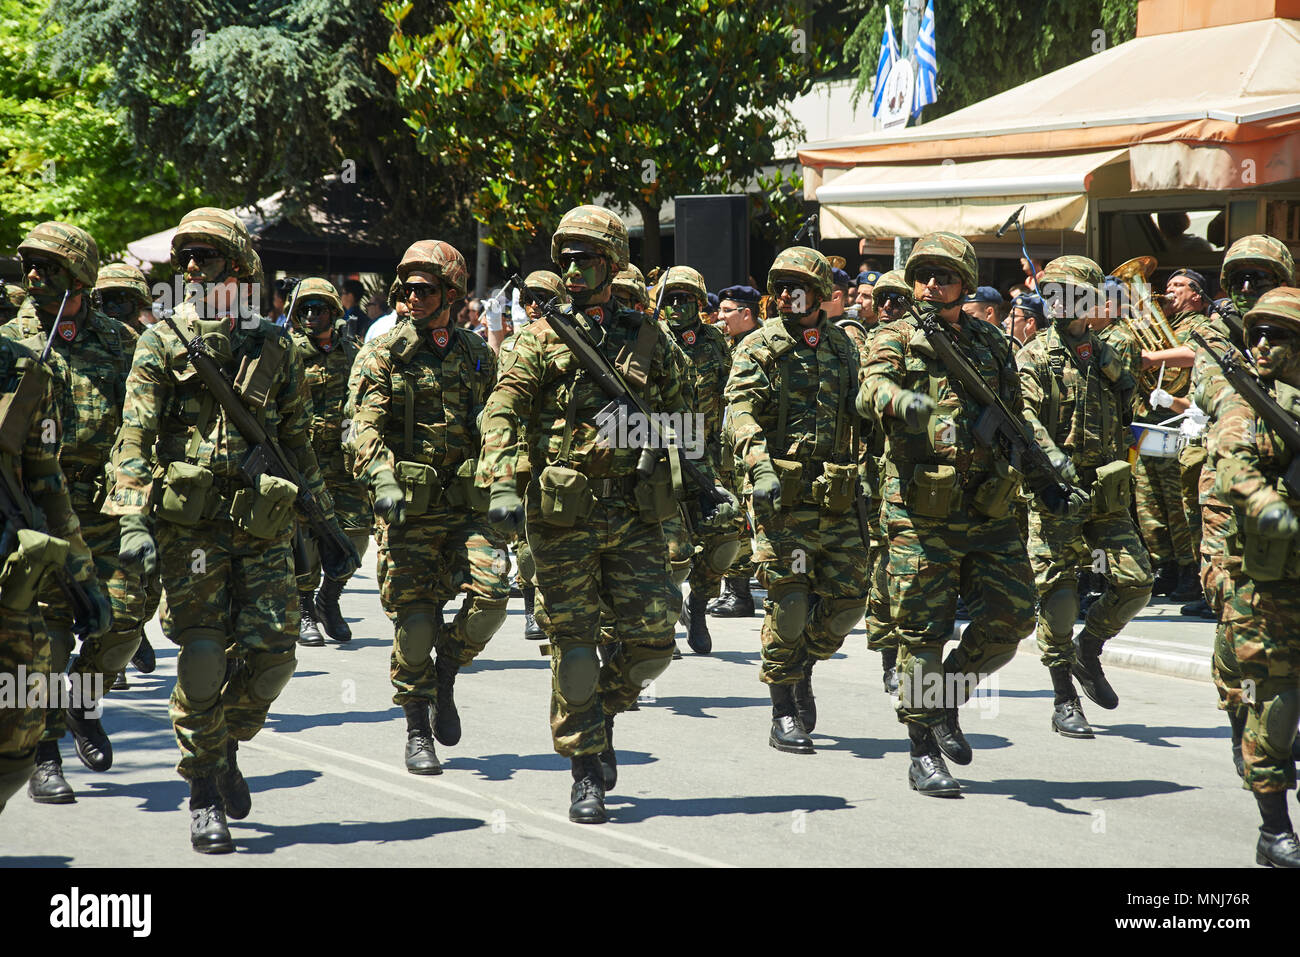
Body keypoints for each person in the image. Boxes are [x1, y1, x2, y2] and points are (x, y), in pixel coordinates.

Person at [105, 207, 352, 853]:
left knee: (274, 656)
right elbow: (132, 439)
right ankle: (204, 790)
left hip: (263, 524)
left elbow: (297, 446)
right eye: (185, 258)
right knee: (206, 655)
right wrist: (132, 519)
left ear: (238, 268)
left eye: (205, 257)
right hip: (191, 531)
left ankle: (226, 742)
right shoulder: (160, 342)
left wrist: (326, 524)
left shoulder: (276, 346)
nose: (190, 268)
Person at [479, 205, 727, 823]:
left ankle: (599, 712)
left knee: (652, 641)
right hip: (562, 515)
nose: (571, 266)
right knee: (577, 643)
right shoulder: (538, 337)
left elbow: (685, 421)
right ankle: (586, 766)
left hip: (637, 512)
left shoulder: (650, 338)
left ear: (612, 265)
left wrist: (702, 488)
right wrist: (504, 482)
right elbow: (502, 413)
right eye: (565, 257)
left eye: (585, 257)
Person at [860, 231, 1085, 796]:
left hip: (987, 507)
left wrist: (1051, 469)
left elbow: (1014, 417)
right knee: (921, 634)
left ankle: (945, 700)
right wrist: (904, 402)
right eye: (924, 276)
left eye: (946, 276)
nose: (933, 286)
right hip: (920, 512)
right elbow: (868, 392)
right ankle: (921, 751)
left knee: (1011, 619)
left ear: (965, 282)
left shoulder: (988, 340)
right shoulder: (896, 338)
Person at [350, 241, 508, 778]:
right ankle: (417, 727)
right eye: (408, 289)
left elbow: (499, 422)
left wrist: (506, 481)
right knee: (415, 623)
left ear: (452, 295)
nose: (414, 298)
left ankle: (449, 670)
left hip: (465, 507)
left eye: (427, 289)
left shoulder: (478, 354)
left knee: (492, 597)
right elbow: (363, 428)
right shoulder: (383, 354)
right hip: (406, 512)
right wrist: (382, 479)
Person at [1, 223, 140, 803]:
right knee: (46, 637)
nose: (34, 277)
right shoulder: (13, 342)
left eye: (49, 268)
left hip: (103, 502)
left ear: (81, 278)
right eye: (29, 266)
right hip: (36, 505)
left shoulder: (119, 342)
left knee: (124, 620)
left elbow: (141, 421)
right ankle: (45, 753)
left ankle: (81, 705)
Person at [726, 246, 868, 755]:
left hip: (837, 494)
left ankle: (803, 662)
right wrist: (759, 467)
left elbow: (862, 413)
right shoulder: (759, 347)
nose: (786, 294)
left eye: (797, 285)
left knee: (850, 600)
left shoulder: (844, 345)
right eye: (780, 285)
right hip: (780, 496)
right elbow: (740, 411)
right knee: (787, 605)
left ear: (822, 295)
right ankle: (783, 706)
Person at [1017, 256, 1152, 736]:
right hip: (1057, 491)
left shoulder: (1107, 353)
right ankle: (1063, 698)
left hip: (1106, 491)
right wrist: (1055, 463)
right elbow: (1025, 420)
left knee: (1137, 581)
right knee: (1057, 594)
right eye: (1052, 291)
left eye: (1068, 292)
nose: (1057, 300)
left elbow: (1126, 404)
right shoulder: (1033, 354)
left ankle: (1087, 650)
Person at [1194, 235, 1296, 776]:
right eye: (1239, 278)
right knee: (1238, 612)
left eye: (1261, 276)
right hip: (1230, 495)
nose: (1249, 287)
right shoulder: (1216, 335)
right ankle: (1243, 716)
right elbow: (1216, 390)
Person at [1209, 286, 1300, 866]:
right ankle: (1274, 830)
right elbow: (1231, 465)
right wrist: (1268, 504)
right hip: (1269, 585)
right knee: (1276, 702)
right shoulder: (1248, 404)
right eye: (1257, 334)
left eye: (1279, 336)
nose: (1264, 345)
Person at [0, 331, 108, 815]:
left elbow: (46, 482)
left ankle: (45, 751)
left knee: (17, 723)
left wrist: (81, 574)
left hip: (8, 563)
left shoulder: (22, 371)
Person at [283, 278, 371, 647]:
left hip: (344, 462)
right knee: (303, 541)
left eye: (317, 308)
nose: (309, 315)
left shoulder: (353, 351)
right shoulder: (285, 351)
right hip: (302, 462)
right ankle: (306, 609)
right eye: (303, 309)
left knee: (356, 536)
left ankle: (329, 599)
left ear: (334, 313)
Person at [656, 266, 737, 655]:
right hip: (665, 460)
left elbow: (735, 392)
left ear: (699, 303)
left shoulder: (717, 342)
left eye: (684, 299)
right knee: (673, 552)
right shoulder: (649, 341)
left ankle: (699, 605)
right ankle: (664, 625)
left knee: (724, 541)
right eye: (669, 300)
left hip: (710, 460)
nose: (675, 307)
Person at [92, 263, 163, 686]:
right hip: (89, 479)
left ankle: (133, 632)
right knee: (103, 576)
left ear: (138, 305)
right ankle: (110, 652)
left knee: (147, 577)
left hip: (140, 476)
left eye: (122, 299)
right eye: (105, 299)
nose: (112, 307)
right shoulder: (81, 342)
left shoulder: (150, 346)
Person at [509, 271, 571, 642]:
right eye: (529, 300)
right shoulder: (515, 346)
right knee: (528, 542)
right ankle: (532, 608)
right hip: (526, 456)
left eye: (543, 298)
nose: (534, 306)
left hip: (566, 455)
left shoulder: (572, 343)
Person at [709, 284, 763, 619]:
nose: (720, 316)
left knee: (745, 519)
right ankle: (735, 590)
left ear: (746, 313)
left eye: (728, 310)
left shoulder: (760, 345)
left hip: (750, 447)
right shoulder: (731, 344)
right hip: (728, 445)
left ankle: (742, 592)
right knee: (733, 517)